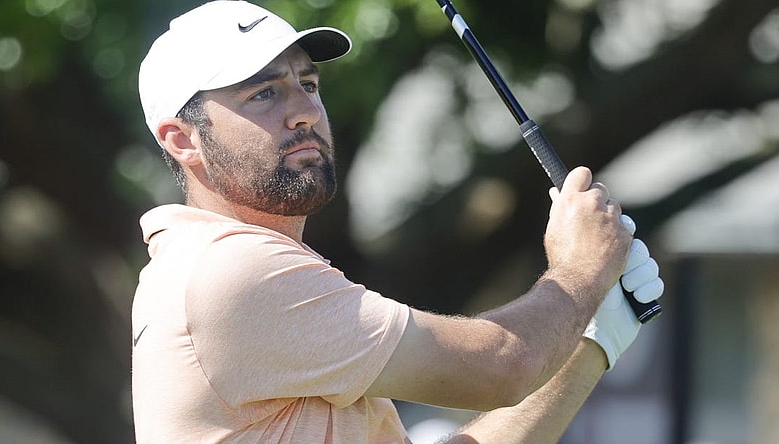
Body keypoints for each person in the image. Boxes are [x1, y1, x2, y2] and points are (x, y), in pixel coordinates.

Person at [132, 1, 664, 442]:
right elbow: (503, 368)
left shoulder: (236, 273)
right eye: (264, 93)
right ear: (183, 139)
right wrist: (579, 272)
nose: (305, 112)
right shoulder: (230, 270)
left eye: (309, 85)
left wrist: (595, 338)